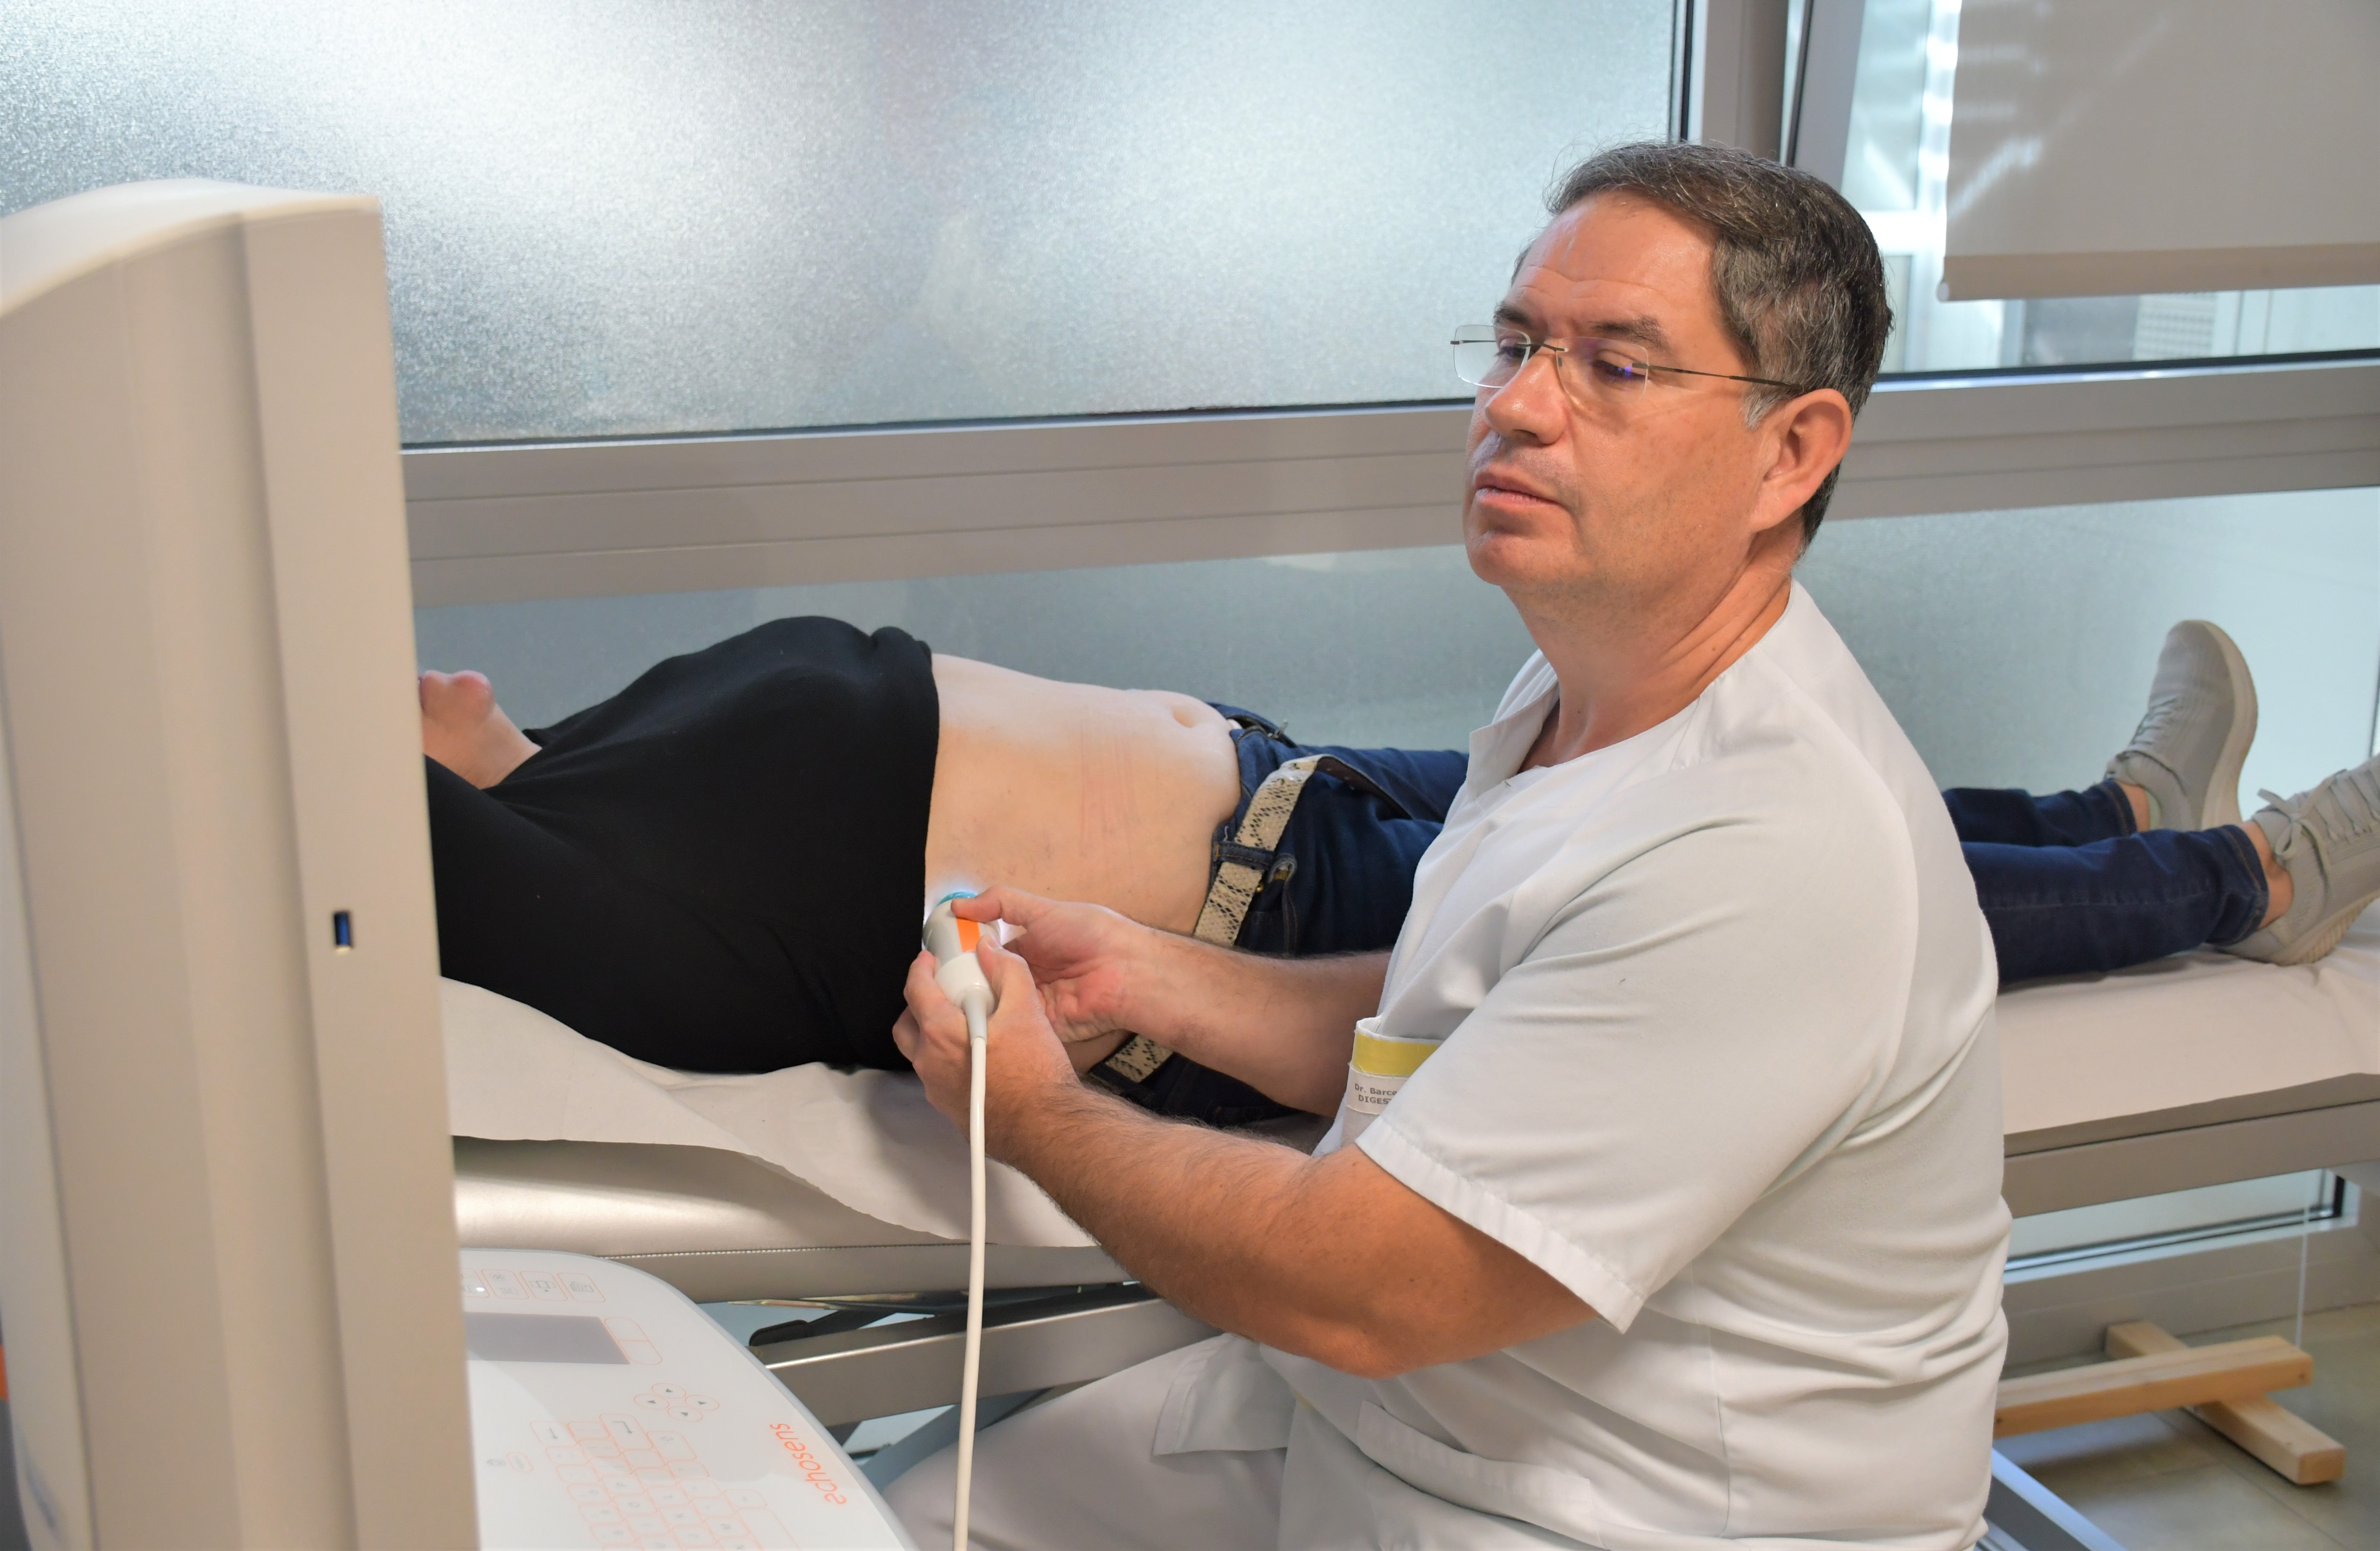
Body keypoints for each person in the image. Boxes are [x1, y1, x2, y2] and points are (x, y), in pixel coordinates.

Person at [873, 143, 2367, 1547]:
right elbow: (1475, 1027)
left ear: (1790, 451)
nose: (1520, 405)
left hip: (1618, 1508)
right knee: (907, 1510)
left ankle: (2242, 872)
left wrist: (1036, 1112)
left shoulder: (1769, 851)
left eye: (1614, 365)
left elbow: (1362, 1288)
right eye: (1516, 343)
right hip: (1426, 1420)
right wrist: (1162, 979)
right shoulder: (1582, 686)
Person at [424, 606, 2378, 1126]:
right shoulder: (579, 894)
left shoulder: (582, 770)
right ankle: (2251, 884)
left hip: (1293, 786)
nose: (409, 666)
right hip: (1264, 928)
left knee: (1752, 785)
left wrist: (495, 755)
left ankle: (2112, 819)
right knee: (1775, 885)